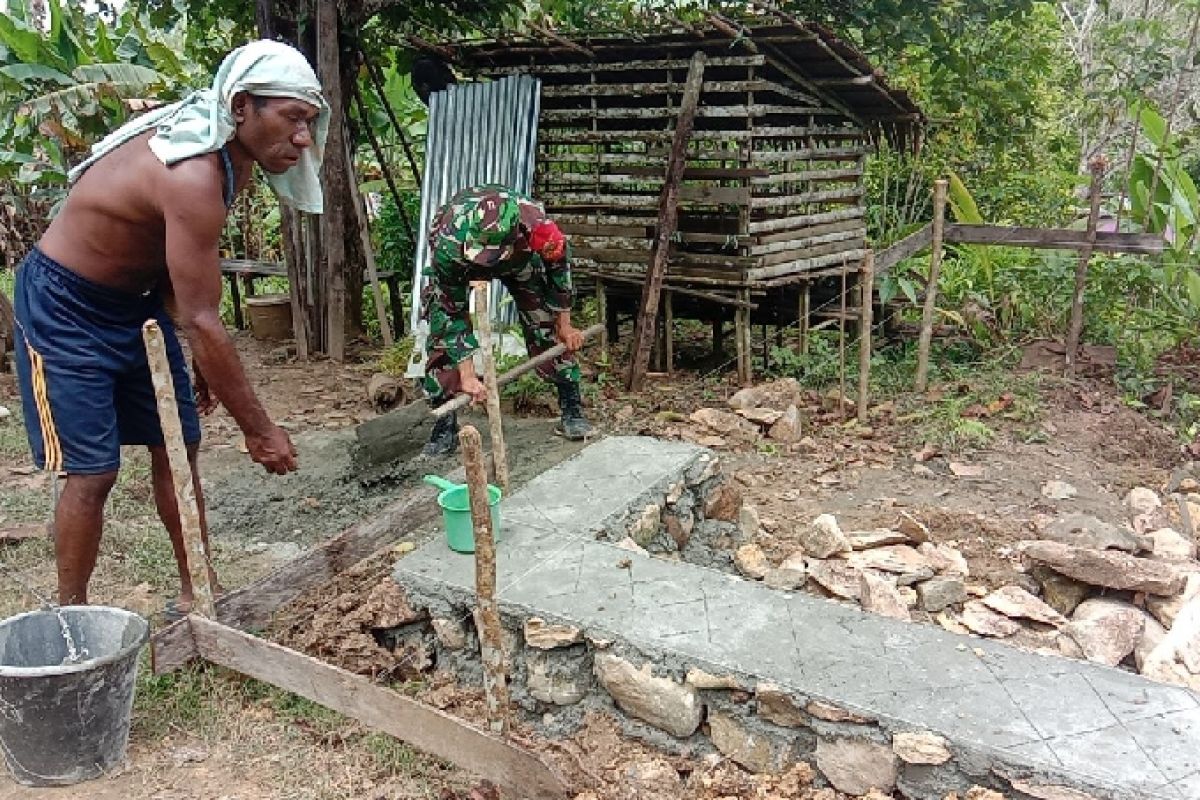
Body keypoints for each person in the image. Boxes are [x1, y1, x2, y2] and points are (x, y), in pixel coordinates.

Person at [10, 40, 329, 615]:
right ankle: (71, 620)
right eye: (291, 119)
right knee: (93, 470)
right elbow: (207, 318)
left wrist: (192, 350)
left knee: (177, 446)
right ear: (241, 108)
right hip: (65, 306)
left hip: (136, 306)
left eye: (307, 122)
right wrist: (258, 430)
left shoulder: (234, 167)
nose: (302, 138)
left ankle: (197, 594)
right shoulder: (192, 173)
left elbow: (179, 285)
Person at [420, 184, 594, 454]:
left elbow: (559, 272)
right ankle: (445, 420)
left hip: (520, 261)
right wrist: (467, 375)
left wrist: (565, 324)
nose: (487, 264)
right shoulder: (449, 243)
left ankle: (572, 408)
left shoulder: (539, 229)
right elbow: (451, 312)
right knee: (441, 330)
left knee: (545, 324)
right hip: (462, 259)